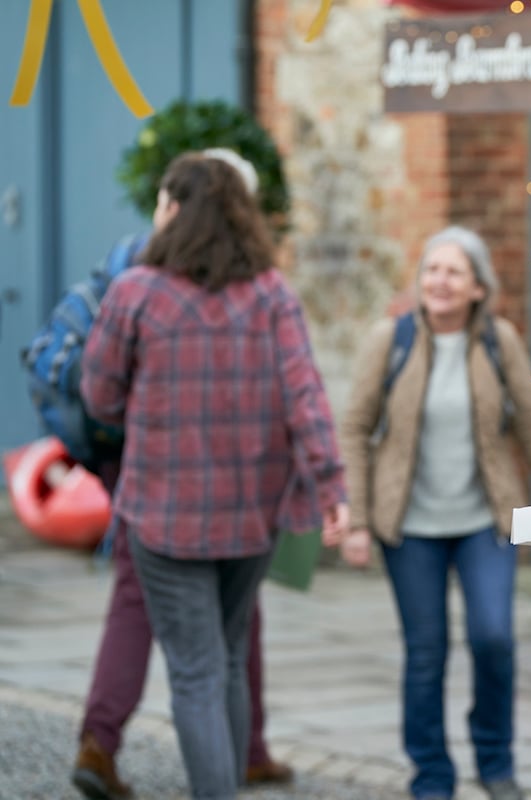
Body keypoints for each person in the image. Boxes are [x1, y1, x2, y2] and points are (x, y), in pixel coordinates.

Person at [81, 152, 348, 800]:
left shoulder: (135, 292)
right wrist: (331, 486)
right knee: (225, 659)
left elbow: (98, 395)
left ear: (172, 209)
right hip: (253, 517)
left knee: (197, 673)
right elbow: (304, 394)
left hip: (163, 515)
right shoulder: (271, 294)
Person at [338, 225, 531, 800]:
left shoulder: (497, 341)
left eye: (454, 271)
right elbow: (356, 429)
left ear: (478, 287)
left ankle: (495, 760)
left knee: (494, 639)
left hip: (487, 520)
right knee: (426, 651)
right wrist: (358, 520)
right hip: (409, 528)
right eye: (432, 269)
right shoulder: (392, 339)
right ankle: (431, 774)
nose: (439, 280)